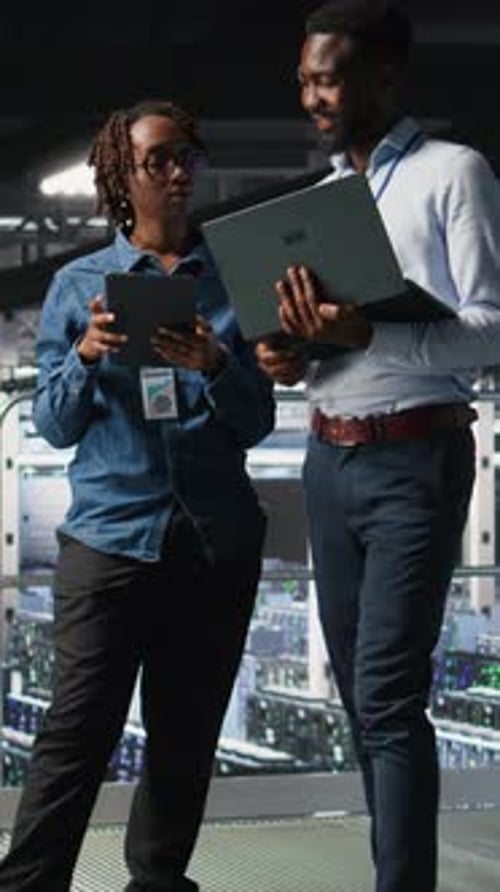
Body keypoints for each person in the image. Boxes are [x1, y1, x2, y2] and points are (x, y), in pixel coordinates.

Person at [0, 98, 275, 892]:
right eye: (160, 159)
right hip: (111, 544)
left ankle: (157, 882)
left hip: (214, 544)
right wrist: (86, 355)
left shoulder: (233, 279)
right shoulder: (77, 285)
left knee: (184, 742)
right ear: (123, 175)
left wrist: (215, 365)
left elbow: (256, 421)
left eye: (188, 155)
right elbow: (54, 425)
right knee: (75, 736)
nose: (179, 171)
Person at [256, 2, 500, 891]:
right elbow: (333, 343)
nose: (311, 98)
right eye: (303, 82)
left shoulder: (453, 173)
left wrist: (367, 333)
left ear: (384, 74)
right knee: (367, 703)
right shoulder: (324, 200)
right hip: (327, 460)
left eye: (327, 80)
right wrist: (293, 352)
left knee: (390, 699)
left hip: (414, 460)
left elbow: (490, 331)